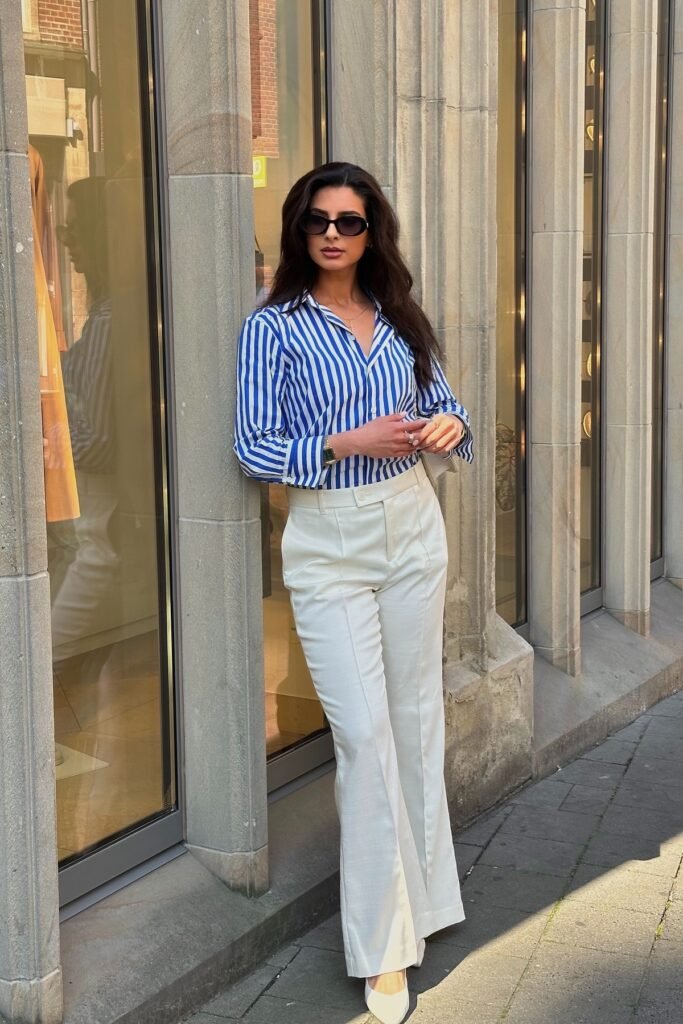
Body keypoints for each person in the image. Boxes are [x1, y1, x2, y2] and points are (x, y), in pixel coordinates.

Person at [233, 161, 473, 1024]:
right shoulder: (272, 328)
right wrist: (344, 441)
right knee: (364, 737)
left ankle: (427, 902)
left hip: (412, 523)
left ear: (374, 233)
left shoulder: (399, 317)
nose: (333, 234)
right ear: (300, 230)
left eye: (351, 222)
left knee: (413, 721)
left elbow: (447, 408)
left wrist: (450, 425)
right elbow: (254, 447)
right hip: (328, 536)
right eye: (318, 221)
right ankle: (380, 950)